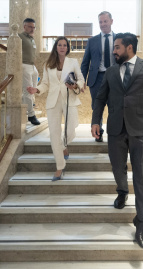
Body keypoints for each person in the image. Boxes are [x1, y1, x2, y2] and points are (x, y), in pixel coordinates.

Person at [91, 33, 143, 249]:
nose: (113, 51)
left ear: (129, 48)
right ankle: (122, 191)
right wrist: (95, 120)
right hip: (115, 128)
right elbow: (100, 97)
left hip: (141, 130)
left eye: (117, 47)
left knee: (141, 176)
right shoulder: (112, 71)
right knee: (117, 167)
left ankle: (142, 223)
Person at [27, 36, 84, 181]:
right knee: (54, 134)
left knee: (70, 130)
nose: (62, 47)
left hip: (69, 99)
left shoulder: (73, 62)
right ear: (56, 47)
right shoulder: (48, 64)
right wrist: (37, 90)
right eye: (60, 45)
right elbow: (45, 83)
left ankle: (64, 145)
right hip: (53, 102)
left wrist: (76, 86)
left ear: (67, 48)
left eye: (65, 45)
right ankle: (59, 166)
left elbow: (81, 79)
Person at [81, 11, 116, 142]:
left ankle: (114, 133)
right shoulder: (92, 41)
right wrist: (81, 80)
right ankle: (98, 132)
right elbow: (85, 62)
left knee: (114, 107)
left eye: (105, 21)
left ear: (111, 21)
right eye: (100, 22)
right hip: (97, 79)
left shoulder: (119, 39)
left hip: (114, 78)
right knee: (97, 106)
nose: (103, 24)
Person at [19, 18, 40, 125]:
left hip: (32, 66)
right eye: (30, 27)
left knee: (33, 90)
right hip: (24, 65)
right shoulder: (19, 37)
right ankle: (31, 116)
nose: (32, 29)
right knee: (27, 90)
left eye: (34, 27)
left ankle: (27, 110)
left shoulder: (31, 38)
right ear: (24, 26)